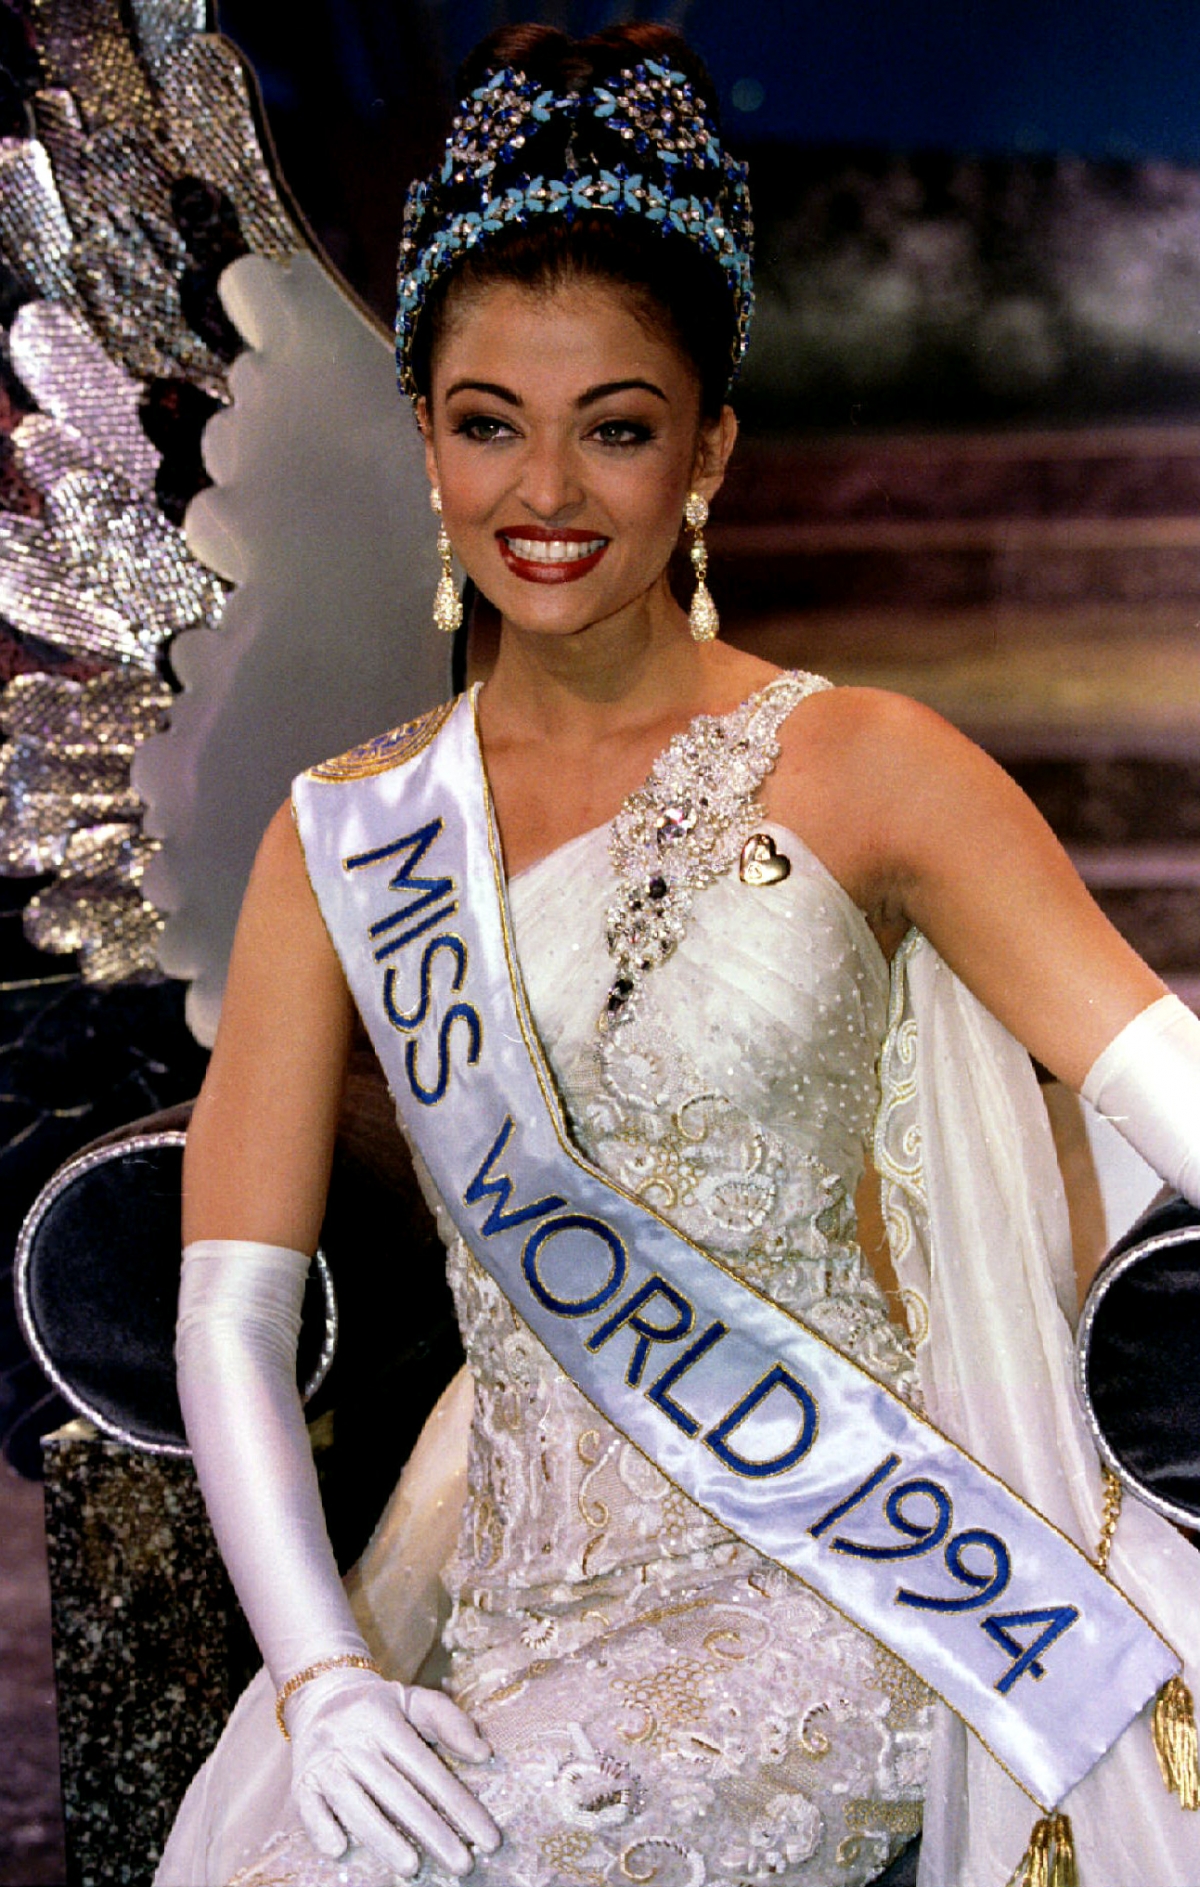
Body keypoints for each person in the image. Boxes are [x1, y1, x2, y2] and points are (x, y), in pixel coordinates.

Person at [157, 22, 1200, 1887]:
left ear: (707, 446)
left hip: (853, 1596)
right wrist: (321, 1677)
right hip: (507, 1604)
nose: (545, 492)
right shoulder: (345, 837)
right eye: (489, 421)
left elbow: (1161, 1089)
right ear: (425, 435)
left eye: (614, 426)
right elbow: (232, 1308)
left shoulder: (871, 766)